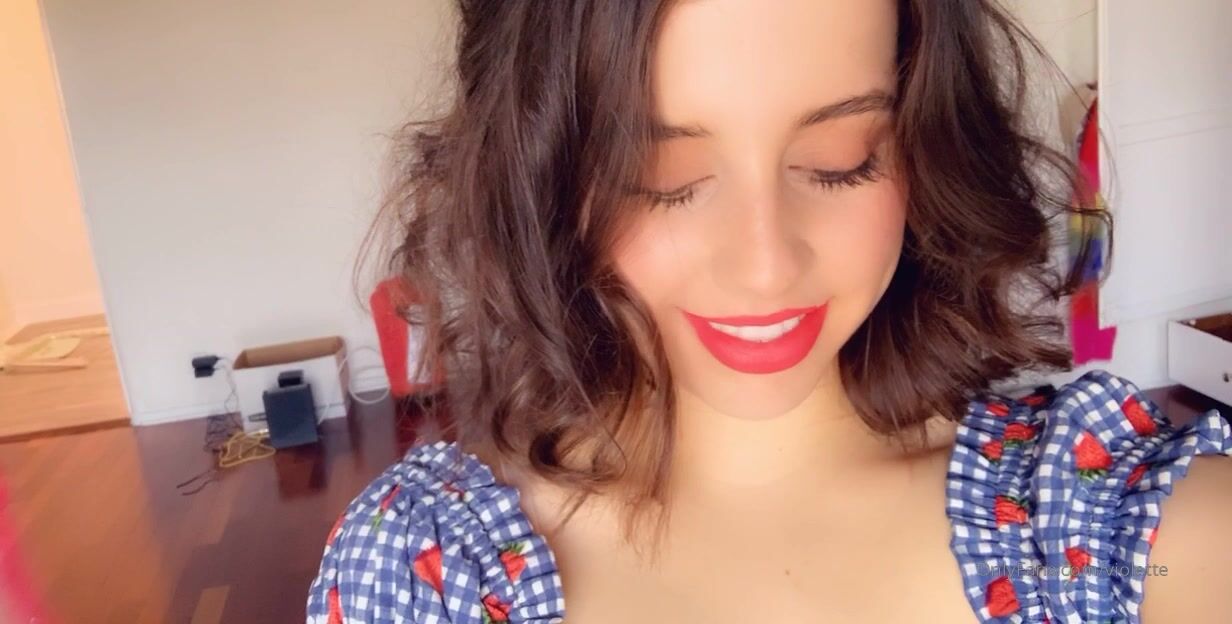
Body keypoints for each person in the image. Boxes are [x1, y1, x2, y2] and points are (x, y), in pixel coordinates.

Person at [307, 1, 1232, 622]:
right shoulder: (426, 571)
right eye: (661, 176)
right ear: (539, 177)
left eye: (840, 161)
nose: (765, 266)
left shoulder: (1087, 520)